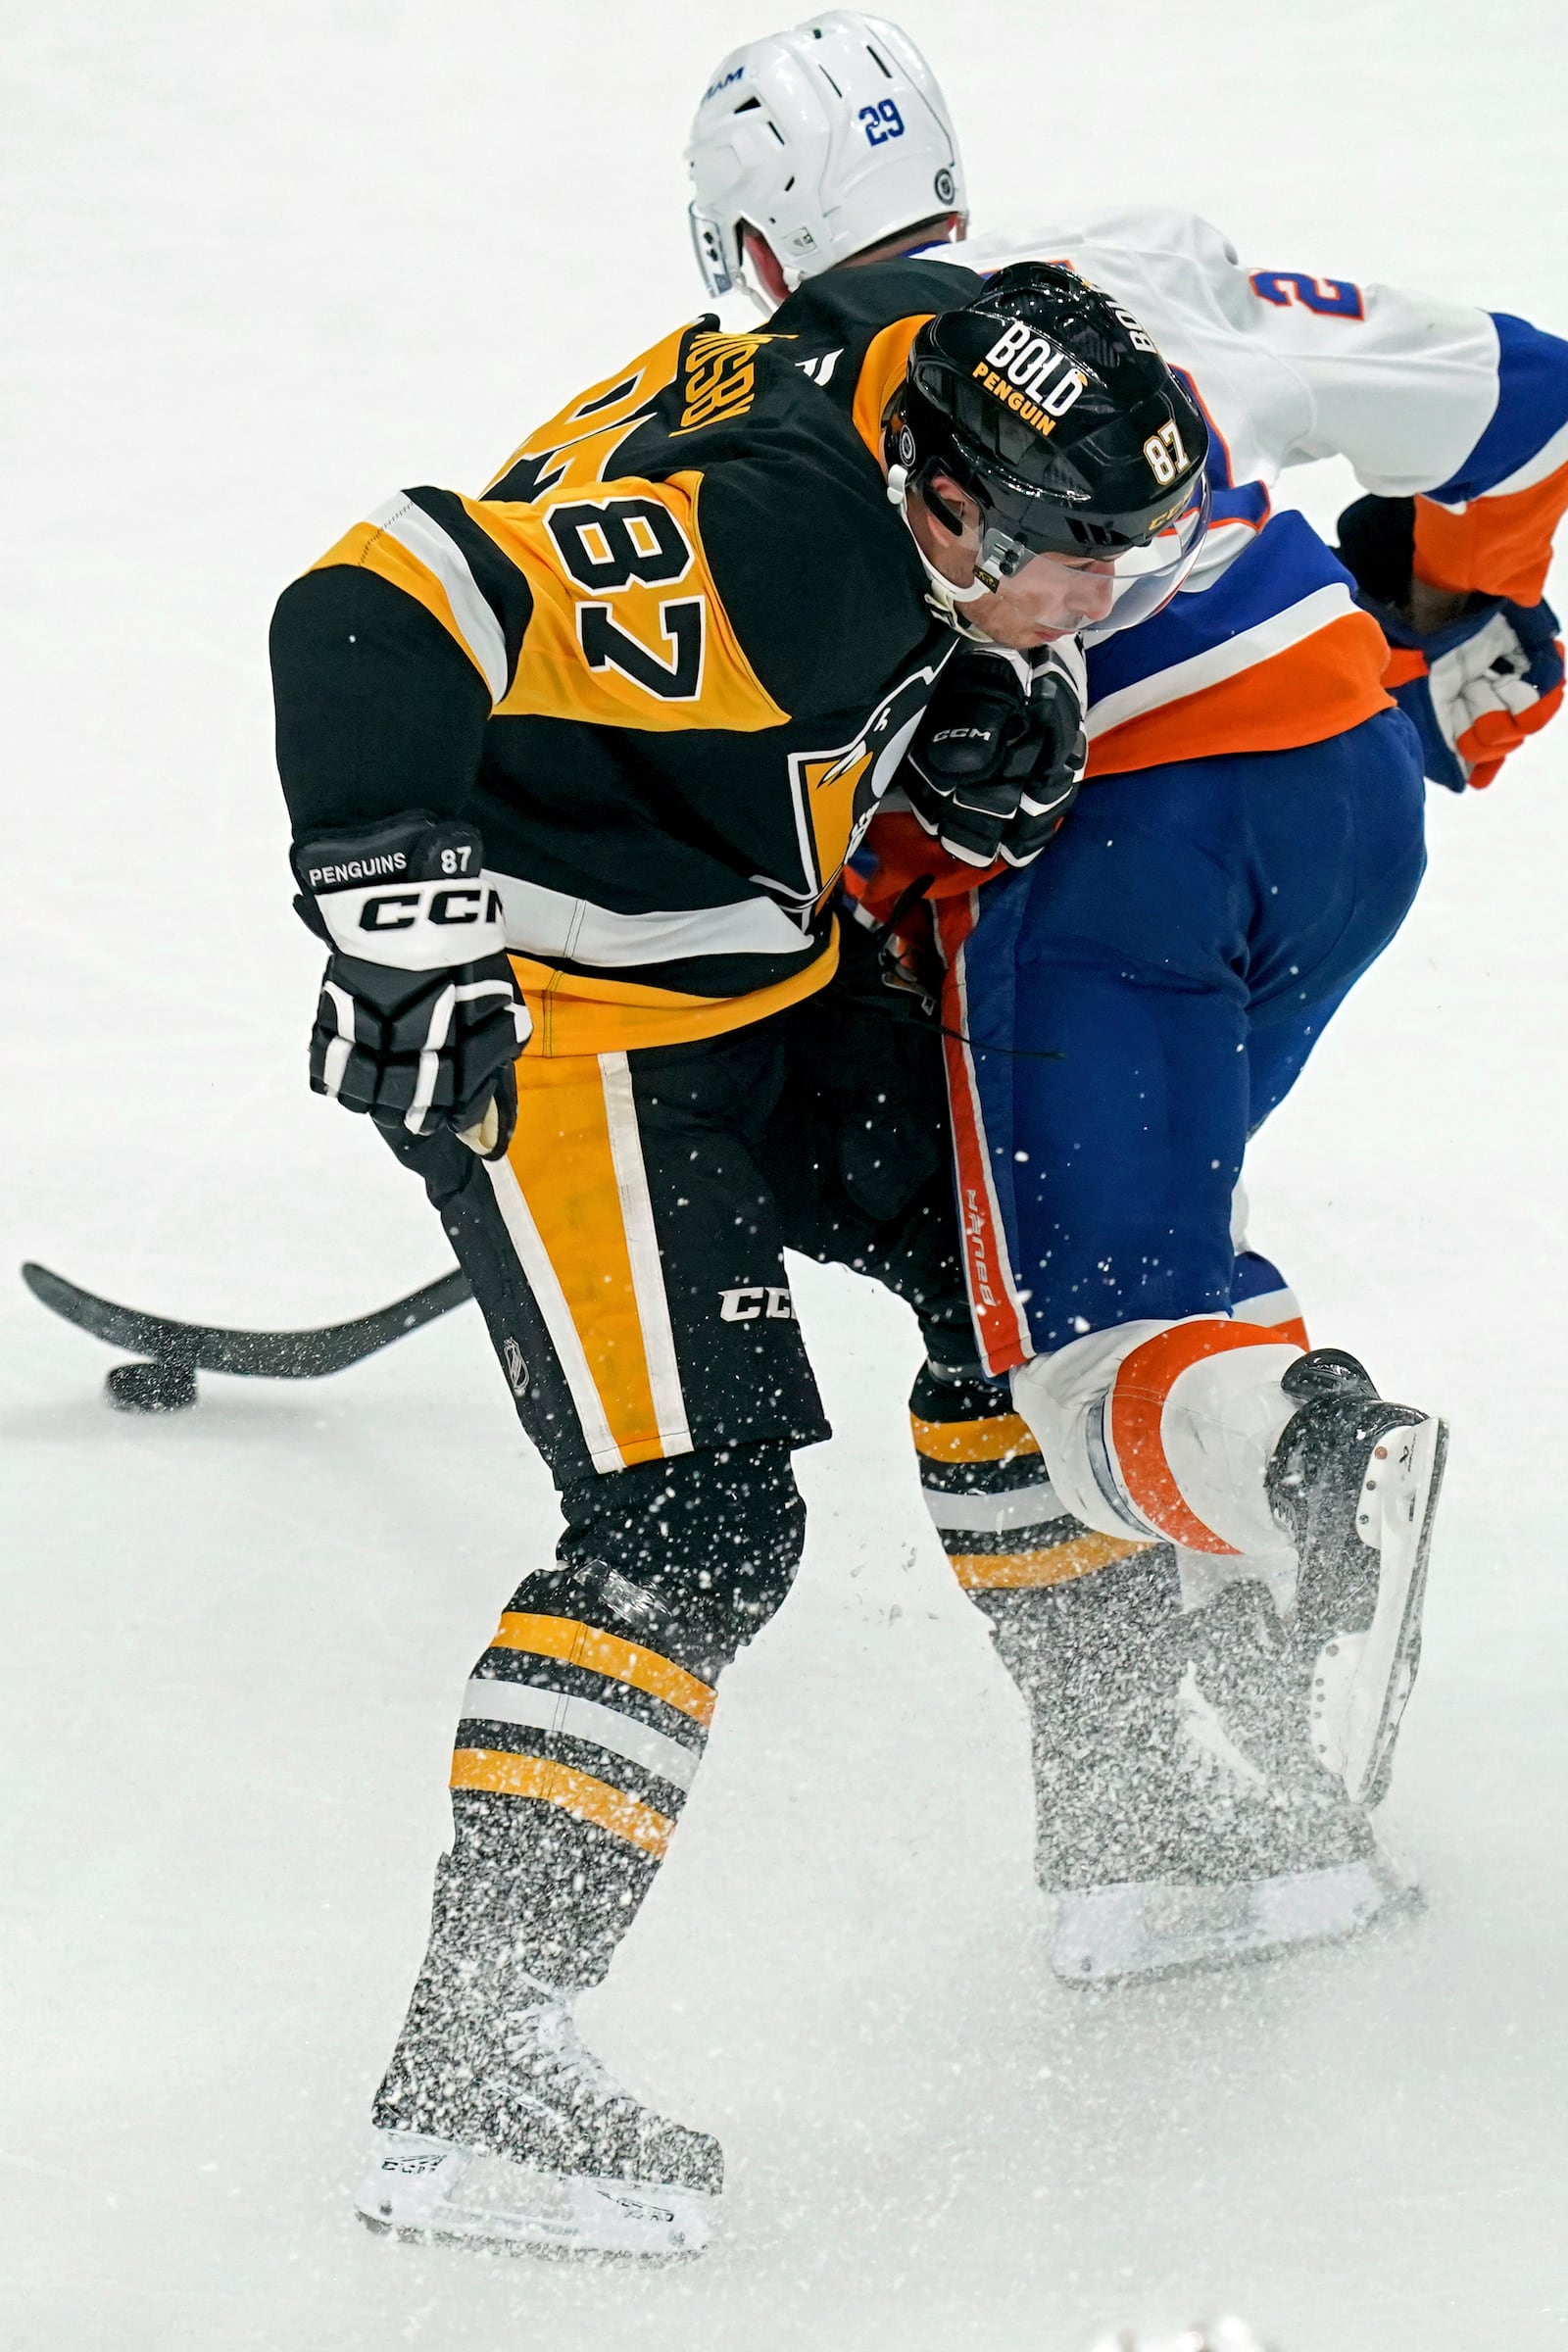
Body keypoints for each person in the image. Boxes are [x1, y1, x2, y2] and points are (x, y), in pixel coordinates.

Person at [270, 264, 1206, 2253]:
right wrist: (390, 895)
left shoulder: (927, 355)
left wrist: (974, 690)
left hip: (750, 981)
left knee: (1005, 1282)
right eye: (1074, 573)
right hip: (572, 1035)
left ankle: (1130, 1807)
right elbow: (376, 591)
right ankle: (474, 2062)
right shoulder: (777, 541)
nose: (1096, 614)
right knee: (689, 1524)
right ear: (942, 506)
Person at [686, 9, 1568, 1982]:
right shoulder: (1118, 281)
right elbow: (1526, 399)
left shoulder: (772, 450)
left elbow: (730, 787)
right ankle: (1227, 1753)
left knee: (1079, 1360)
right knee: (1160, 1248)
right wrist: (1470, 633)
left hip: (1109, 872)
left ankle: (1309, 1475)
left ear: (742, 246)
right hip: (1345, 794)